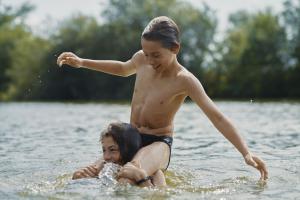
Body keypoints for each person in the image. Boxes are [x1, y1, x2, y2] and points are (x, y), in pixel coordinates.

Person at [57, 16, 268, 183]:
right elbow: (122, 68)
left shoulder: (184, 80)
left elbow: (217, 117)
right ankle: (154, 179)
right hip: (130, 138)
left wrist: (246, 153)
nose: (149, 61)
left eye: (156, 55)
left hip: (158, 144)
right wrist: (82, 62)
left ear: (175, 48)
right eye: (146, 54)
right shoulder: (142, 59)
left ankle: (153, 179)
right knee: (82, 176)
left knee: (127, 176)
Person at [72, 122, 166, 187]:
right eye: (104, 150)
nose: (106, 157)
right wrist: (78, 178)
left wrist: (142, 179)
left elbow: (159, 196)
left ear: (128, 150)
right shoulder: (101, 169)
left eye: (112, 150)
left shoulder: (155, 174)